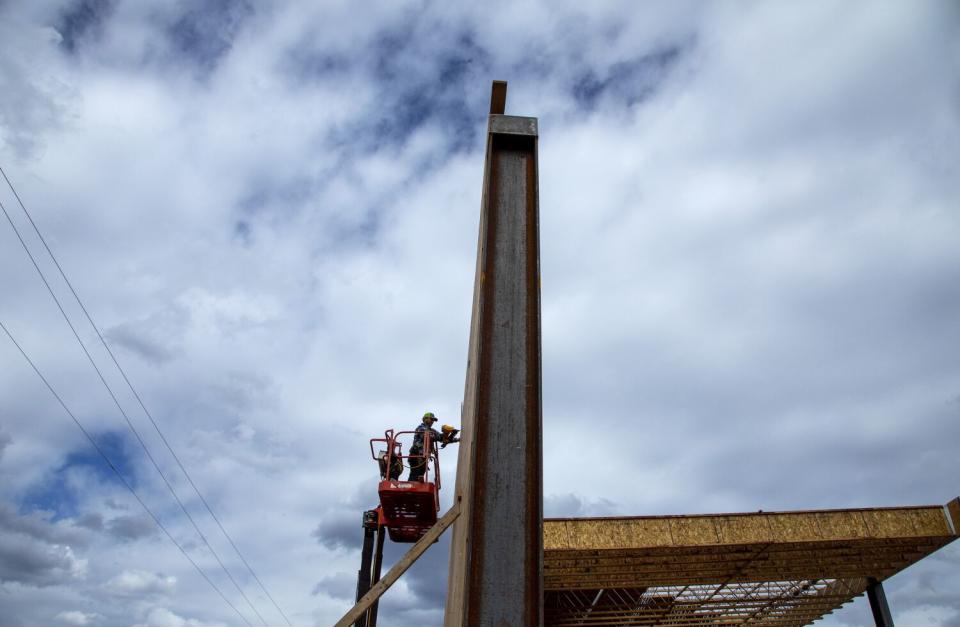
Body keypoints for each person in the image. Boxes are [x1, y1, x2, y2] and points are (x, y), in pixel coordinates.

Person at [408, 412, 448, 482]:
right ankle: (410, 486)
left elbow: (440, 437)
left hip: (424, 456)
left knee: (421, 473)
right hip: (416, 453)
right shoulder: (420, 428)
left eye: (433, 420)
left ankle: (416, 487)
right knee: (415, 473)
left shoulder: (432, 431)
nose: (432, 421)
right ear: (425, 419)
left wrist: (448, 436)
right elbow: (428, 435)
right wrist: (441, 437)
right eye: (431, 419)